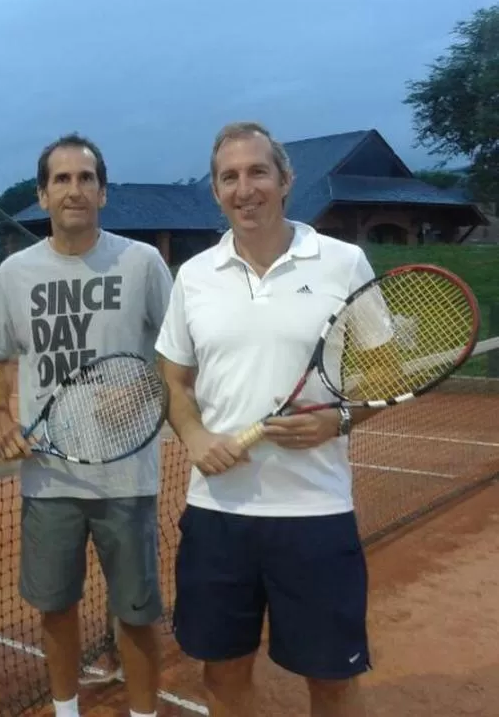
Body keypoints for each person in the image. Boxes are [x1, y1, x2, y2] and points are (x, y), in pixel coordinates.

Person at [155, 121, 380, 717]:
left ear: (286, 181)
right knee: (222, 678)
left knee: (332, 682)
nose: (244, 187)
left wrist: (341, 418)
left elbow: (384, 372)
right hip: (217, 516)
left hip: (315, 513)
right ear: (215, 191)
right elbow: (174, 379)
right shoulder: (195, 276)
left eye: (257, 172)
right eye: (229, 176)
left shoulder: (344, 262)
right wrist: (197, 434)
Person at [0, 133, 173, 717]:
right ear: (42, 194)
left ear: (103, 192)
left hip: (127, 480)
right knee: (56, 609)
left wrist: (142, 388)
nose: (74, 189)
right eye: (61, 180)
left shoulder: (142, 263)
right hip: (49, 480)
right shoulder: (15, 273)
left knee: (136, 616)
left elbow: (177, 357)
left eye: (85, 178)